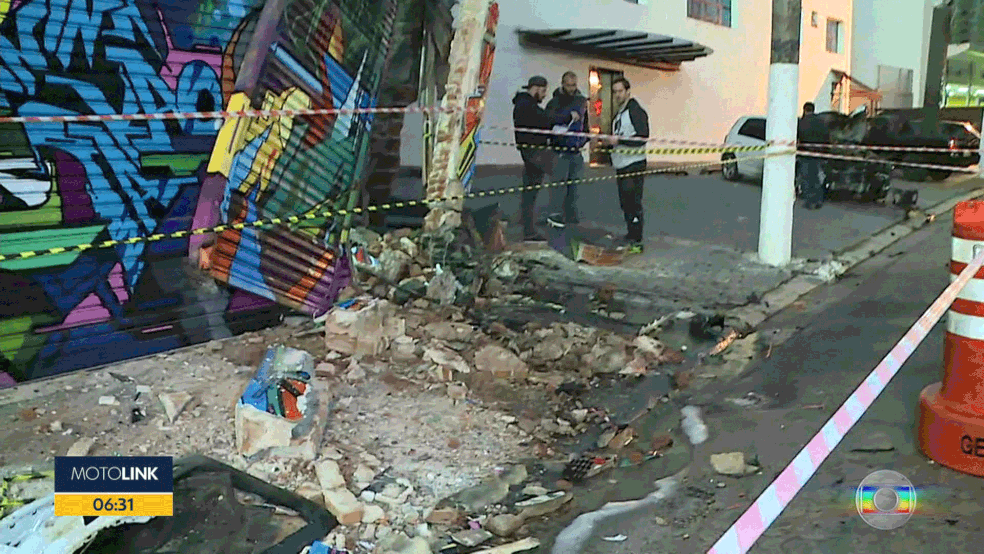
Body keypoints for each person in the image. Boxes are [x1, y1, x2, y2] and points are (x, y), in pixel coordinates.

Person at [606, 77, 649, 253]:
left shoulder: (635, 110)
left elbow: (642, 137)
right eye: (615, 92)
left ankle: (637, 240)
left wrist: (619, 140)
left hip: (634, 164)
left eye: (620, 91)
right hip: (622, 164)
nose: (617, 95)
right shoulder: (620, 113)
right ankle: (631, 235)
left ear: (628, 91)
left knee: (633, 203)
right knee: (625, 203)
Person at [543, 71, 588, 228]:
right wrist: (567, 116)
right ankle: (555, 215)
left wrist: (583, 140)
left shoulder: (582, 101)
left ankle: (571, 215)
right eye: (568, 85)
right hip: (560, 151)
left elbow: (585, 123)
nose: (571, 88)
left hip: (576, 150)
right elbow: (548, 120)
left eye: (574, 85)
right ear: (562, 84)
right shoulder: (554, 102)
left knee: (574, 186)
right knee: (558, 185)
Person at [512, 75, 554, 241]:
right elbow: (544, 120)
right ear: (535, 88)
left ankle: (528, 225)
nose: (544, 95)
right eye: (543, 91)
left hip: (531, 152)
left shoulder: (524, 104)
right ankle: (529, 230)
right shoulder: (527, 106)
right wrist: (563, 118)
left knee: (530, 191)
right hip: (534, 153)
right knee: (531, 192)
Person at [797, 102, 829, 210]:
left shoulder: (802, 122)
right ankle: (819, 199)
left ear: (804, 109)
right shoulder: (821, 122)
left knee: (806, 179)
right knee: (816, 178)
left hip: (805, 154)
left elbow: (799, 137)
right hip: (818, 154)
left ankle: (809, 201)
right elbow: (826, 137)